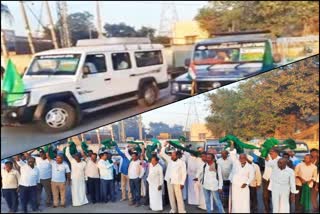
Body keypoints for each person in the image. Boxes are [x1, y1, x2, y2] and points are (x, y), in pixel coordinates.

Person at [160, 142, 187, 213]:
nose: (171, 156)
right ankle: (173, 209)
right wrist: (164, 146)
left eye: (173, 155)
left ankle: (181, 210)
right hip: (169, 181)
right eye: (171, 155)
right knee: (171, 196)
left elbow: (184, 173)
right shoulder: (169, 160)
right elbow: (162, 154)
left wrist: (182, 183)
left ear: (177, 156)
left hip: (177, 182)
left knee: (179, 197)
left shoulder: (181, 162)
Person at [228, 144, 254, 213]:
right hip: (235, 186)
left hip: (244, 186)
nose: (241, 159)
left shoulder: (250, 167)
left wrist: (246, 183)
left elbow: (251, 176)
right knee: (235, 201)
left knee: (244, 201)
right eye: (240, 158)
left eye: (243, 158)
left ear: (246, 159)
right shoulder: (236, 163)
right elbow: (232, 153)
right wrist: (232, 144)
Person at [262, 148, 281, 213]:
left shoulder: (280, 159)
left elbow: (273, 166)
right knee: (265, 196)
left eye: (271, 152)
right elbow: (258, 152)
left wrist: (268, 161)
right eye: (269, 152)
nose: (270, 153)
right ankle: (267, 209)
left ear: (276, 153)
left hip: (275, 180)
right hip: (266, 179)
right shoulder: (267, 157)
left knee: (275, 196)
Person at [310, 148, 319, 212]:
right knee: (313, 195)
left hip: (318, 180)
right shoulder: (309, 160)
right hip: (313, 180)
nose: (313, 153)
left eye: (314, 152)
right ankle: (315, 208)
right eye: (312, 152)